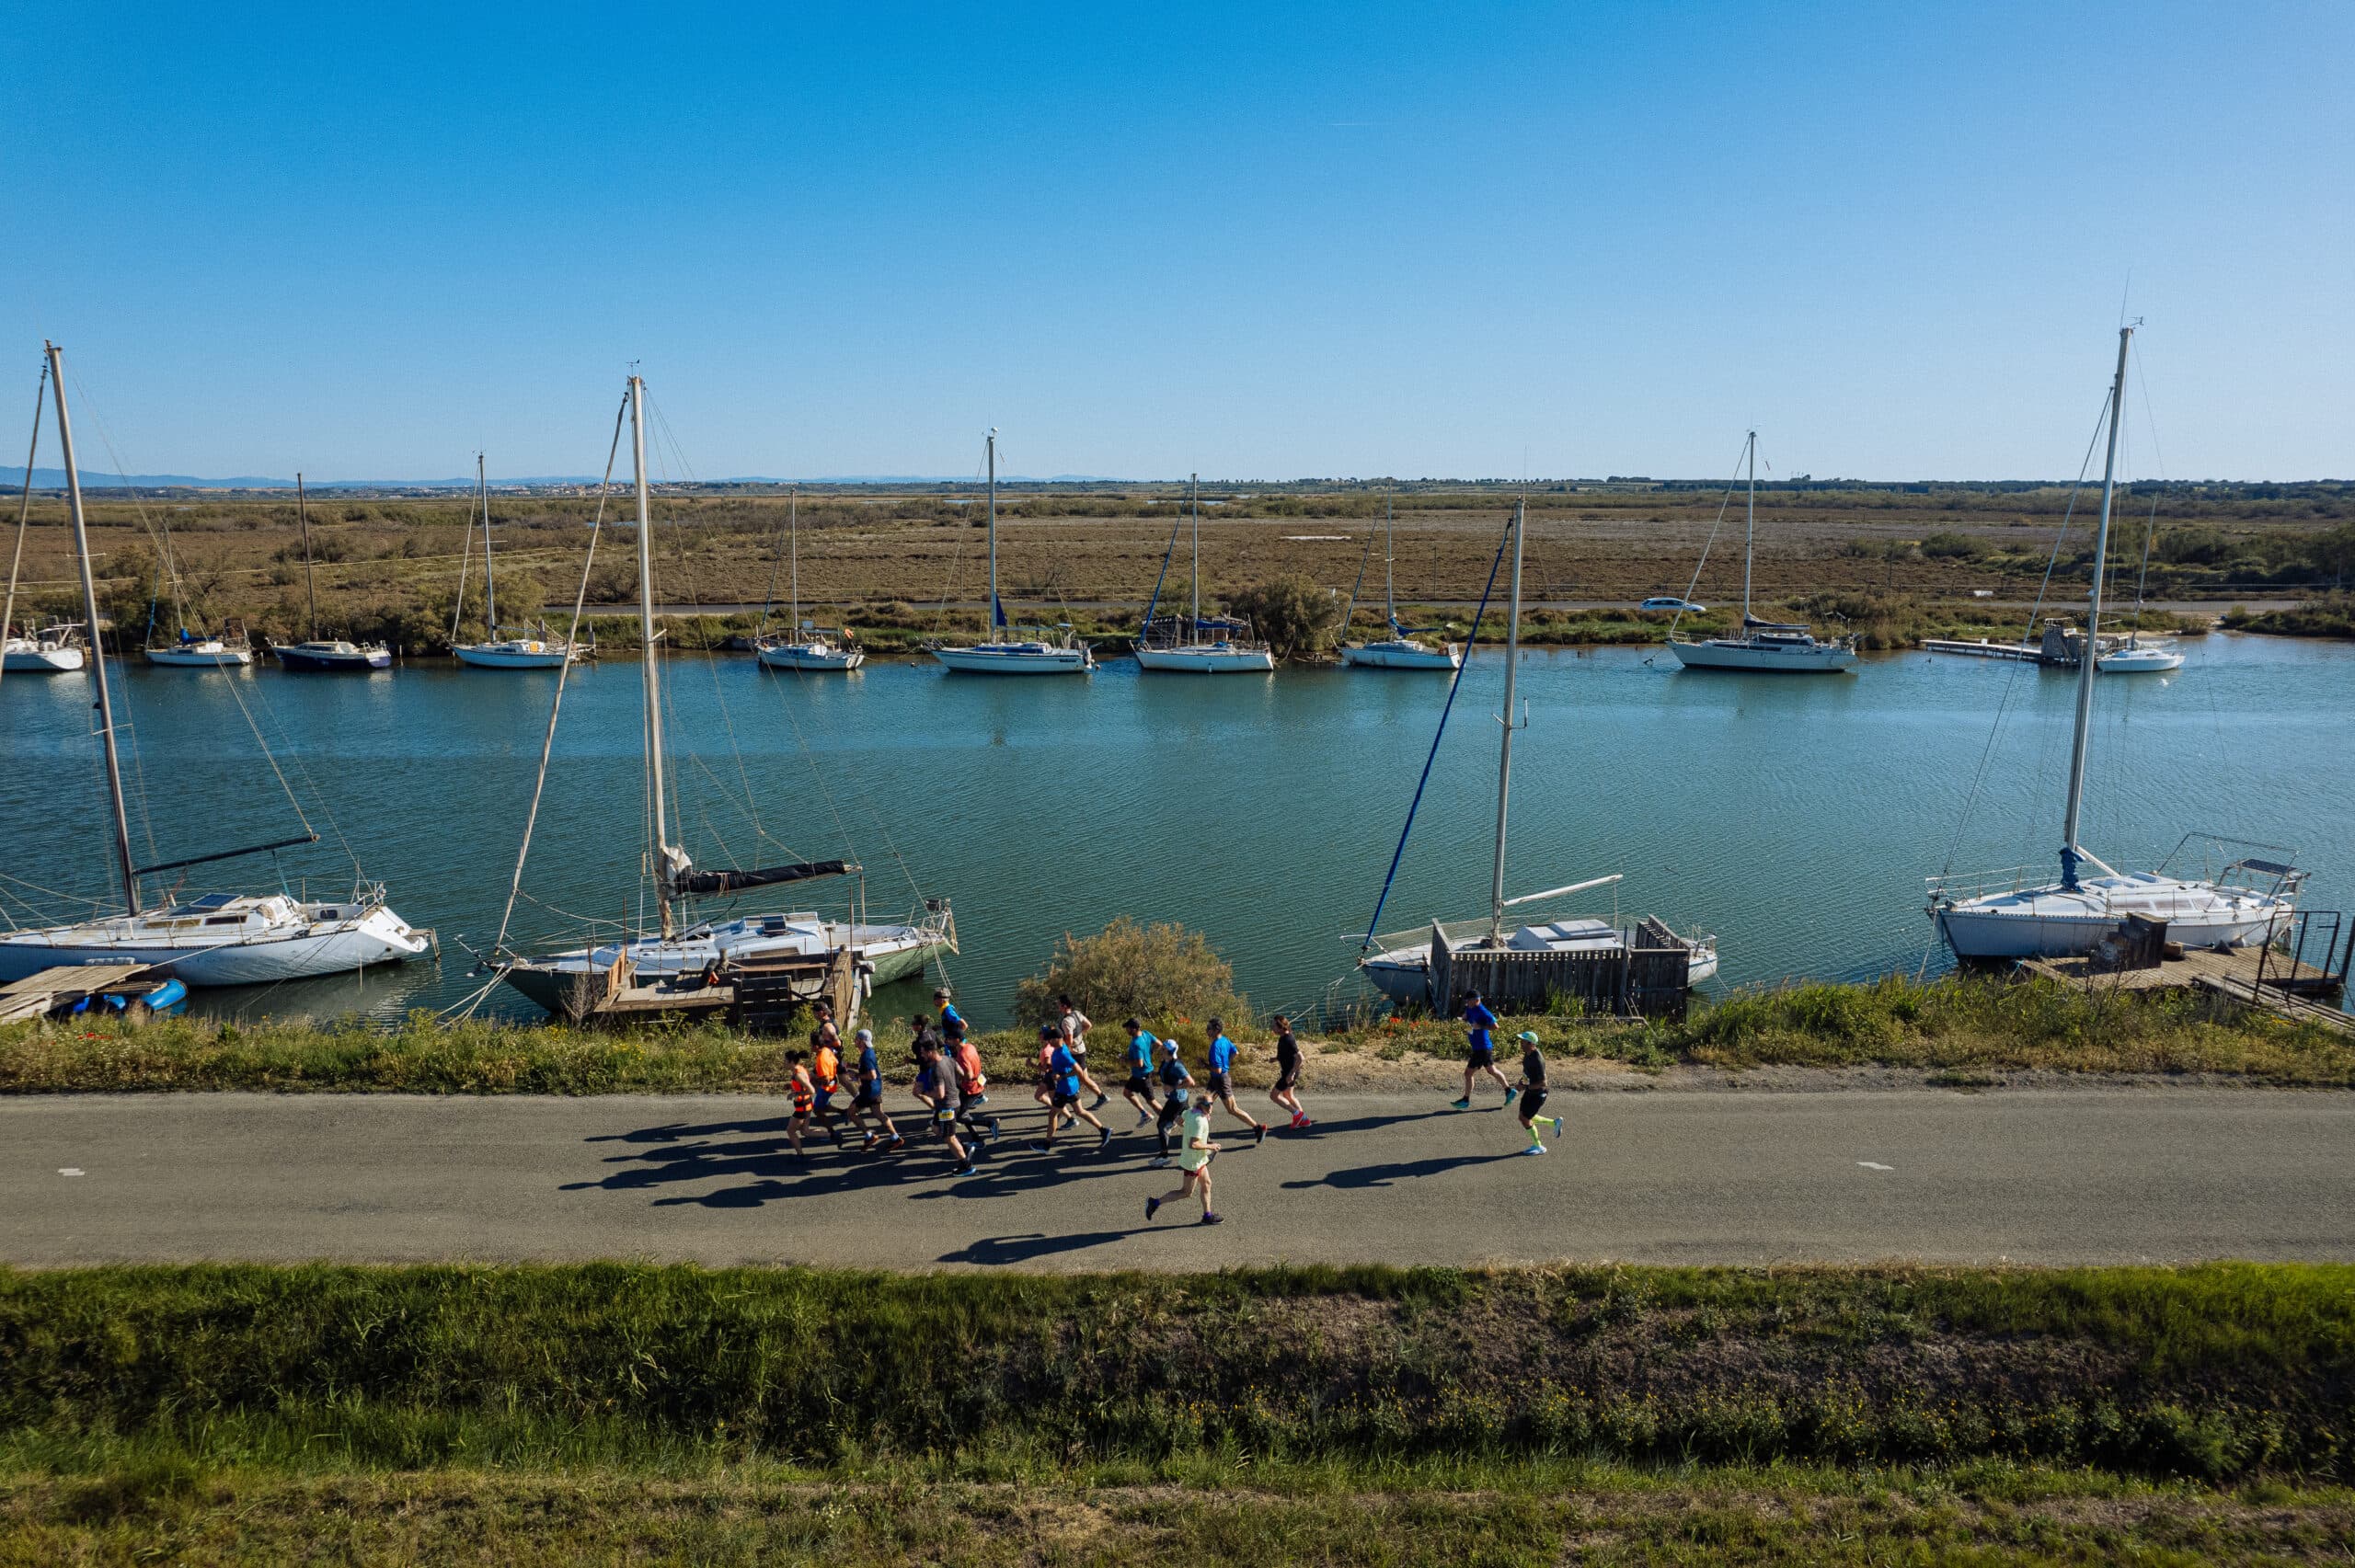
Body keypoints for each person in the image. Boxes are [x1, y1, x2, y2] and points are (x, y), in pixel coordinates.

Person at [1145, 1093, 1222, 1225]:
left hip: (1199, 1160)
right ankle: (1155, 1202)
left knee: (1207, 1183)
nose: (1210, 1107)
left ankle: (1207, 1215)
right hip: (1192, 1162)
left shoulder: (1191, 1111)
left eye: (1212, 1104)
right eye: (1207, 1105)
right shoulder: (1199, 1120)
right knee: (1186, 1192)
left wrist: (1188, 1128)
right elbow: (1193, 1144)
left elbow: (1179, 1120)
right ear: (1201, 1105)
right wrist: (1211, 1146)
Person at [1032, 1028, 1111, 1152]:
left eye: (1051, 1039)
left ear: (1057, 1039)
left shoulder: (1063, 1053)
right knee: (1079, 1111)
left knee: (1053, 1114)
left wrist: (1061, 1076)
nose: (1049, 1041)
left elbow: (1078, 1070)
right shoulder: (1059, 1049)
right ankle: (1104, 1130)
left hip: (1065, 1089)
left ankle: (1046, 1145)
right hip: (1071, 1086)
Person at [913, 1035, 982, 1177]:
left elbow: (940, 1094)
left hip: (947, 1107)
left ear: (930, 1052)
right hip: (950, 1103)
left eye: (923, 1052)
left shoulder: (937, 1069)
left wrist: (924, 1091)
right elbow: (963, 1074)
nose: (921, 1055)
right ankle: (963, 1148)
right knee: (936, 1128)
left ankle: (966, 1166)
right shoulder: (948, 1059)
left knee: (949, 1137)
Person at [1201, 1018, 1268, 1145]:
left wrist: (1204, 1064)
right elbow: (1235, 1052)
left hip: (1220, 1080)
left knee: (1233, 1109)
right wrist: (1227, 1063)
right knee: (1204, 1105)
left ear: (1216, 1030)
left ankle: (1258, 1128)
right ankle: (1205, 1137)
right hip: (1216, 1079)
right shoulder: (1224, 1040)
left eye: (1208, 1028)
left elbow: (1218, 1069)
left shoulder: (1216, 1046)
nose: (1206, 1031)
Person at [1451, 990, 1514, 1108]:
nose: (1467, 1003)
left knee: (1468, 1073)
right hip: (1479, 1047)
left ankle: (1465, 1100)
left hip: (1482, 1048)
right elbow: (1468, 1016)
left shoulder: (1484, 1012)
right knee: (1492, 1070)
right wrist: (1464, 1018)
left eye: (1469, 1001)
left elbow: (1496, 1027)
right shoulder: (1470, 1008)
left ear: (1477, 1000)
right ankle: (1509, 1091)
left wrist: (1481, 1026)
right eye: (1466, 1001)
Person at [847, 1027, 903, 1151]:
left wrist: (856, 1075)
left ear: (862, 1041)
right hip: (876, 1088)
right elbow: (865, 1068)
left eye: (856, 1039)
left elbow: (871, 1075)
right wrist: (851, 1065)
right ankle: (896, 1138)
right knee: (879, 1114)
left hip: (868, 1091)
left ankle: (869, 1136)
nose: (854, 1040)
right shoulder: (869, 1052)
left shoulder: (866, 1056)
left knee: (851, 1113)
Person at [1511, 1030, 1566, 1154]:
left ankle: (1538, 1147)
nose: (1521, 1042)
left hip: (1539, 1093)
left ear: (1531, 1044)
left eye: (1523, 1041)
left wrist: (1527, 1087)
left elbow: (1543, 1082)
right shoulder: (1527, 1054)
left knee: (1525, 1119)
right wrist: (1521, 1084)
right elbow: (1527, 1074)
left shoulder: (1537, 1060)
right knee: (1523, 1116)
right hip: (1531, 1090)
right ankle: (1554, 1123)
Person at [1149, 1036, 1195, 1168]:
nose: (1161, 1050)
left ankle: (1164, 1156)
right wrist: (1154, 1074)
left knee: (1162, 1125)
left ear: (1169, 1051)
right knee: (1184, 1122)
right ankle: (1205, 1143)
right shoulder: (1165, 1062)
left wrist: (1173, 1088)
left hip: (1177, 1100)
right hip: (1179, 1099)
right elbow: (1165, 1074)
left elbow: (1191, 1082)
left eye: (1163, 1049)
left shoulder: (1177, 1066)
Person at [1058, 993, 1109, 1109]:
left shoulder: (1066, 1021)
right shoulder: (1076, 1013)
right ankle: (1067, 1098)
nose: (1058, 1007)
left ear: (1065, 1006)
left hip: (1075, 1053)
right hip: (1081, 1048)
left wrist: (1063, 1050)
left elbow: (1069, 1040)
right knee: (1073, 1076)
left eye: (1059, 1005)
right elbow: (1088, 1025)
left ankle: (1102, 1097)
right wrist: (1080, 1036)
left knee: (1083, 1078)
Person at [810, 1005, 847, 1145]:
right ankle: (843, 1113)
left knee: (818, 1110)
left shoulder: (823, 1056)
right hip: (832, 1082)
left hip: (828, 1085)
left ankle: (833, 1133)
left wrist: (815, 1082)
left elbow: (825, 1079)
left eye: (811, 1044)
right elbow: (835, 1059)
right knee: (822, 1106)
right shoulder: (826, 1053)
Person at [1268, 1014, 1309, 1129]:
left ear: (1281, 1027)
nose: (1272, 1028)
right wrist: (1276, 1058)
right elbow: (1287, 1055)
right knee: (1288, 1095)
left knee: (1274, 1096)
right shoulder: (1283, 1038)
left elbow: (1301, 1058)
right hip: (1289, 1072)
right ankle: (1304, 1120)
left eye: (1274, 1026)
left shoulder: (1288, 1039)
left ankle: (1297, 1114)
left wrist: (1291, 1073)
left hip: (1289, 1073)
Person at [1120, 1018, 1160, 1126]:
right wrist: (1150, 1051)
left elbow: (1139, 1064)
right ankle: (1144, 1114)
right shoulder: (1146, 1033)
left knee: (1151, 1101)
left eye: (1127, 1028)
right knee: (1127, 1092)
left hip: (1141, 1075)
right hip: (1143, 1073)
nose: (1126, 1030)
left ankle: (1169, 1119)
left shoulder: (1136, 1043)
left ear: (1133, 1029)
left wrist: (1125, 1061)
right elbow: (1159, 1044)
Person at [782, 1049, 815, 1160]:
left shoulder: (797, 1074)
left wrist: (796, 1093)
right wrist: (792, 1088)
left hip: (803, 1106)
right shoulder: (799, 1068)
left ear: (791, 1061)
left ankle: (800, 1156)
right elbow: (803, 1085)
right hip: (807, 1104)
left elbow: (811, 1090)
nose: (784, 1062)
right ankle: (833, 1135)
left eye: (785, 1060)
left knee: (790, 1130)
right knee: (805, 1131)